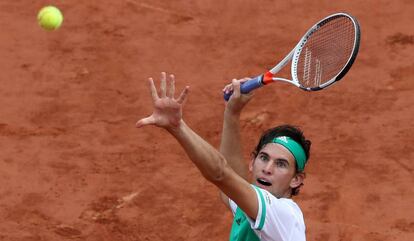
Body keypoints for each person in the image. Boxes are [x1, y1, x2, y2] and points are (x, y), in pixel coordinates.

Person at [136, 72, 311, 241]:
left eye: (281, 164)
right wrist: (232, 113)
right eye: (264, 158)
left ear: (296, 179)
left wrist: (177, 127)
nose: (267, 169)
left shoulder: (283, 215)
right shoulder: (252, 207)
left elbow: (221, 174)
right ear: (252, 162)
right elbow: (230, 191)